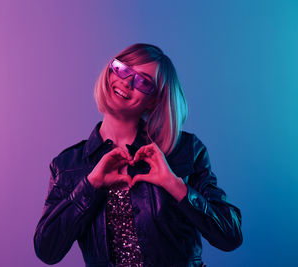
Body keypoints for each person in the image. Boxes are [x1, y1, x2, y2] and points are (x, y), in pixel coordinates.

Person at [33, 43, 243, 267]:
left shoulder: (185, 150)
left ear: (154, 100)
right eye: (122, 69)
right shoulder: (68, 165)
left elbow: (230, 237)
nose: (126, 82)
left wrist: (175, 185)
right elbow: (47, 250)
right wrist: (91, 185)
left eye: (143, 81)